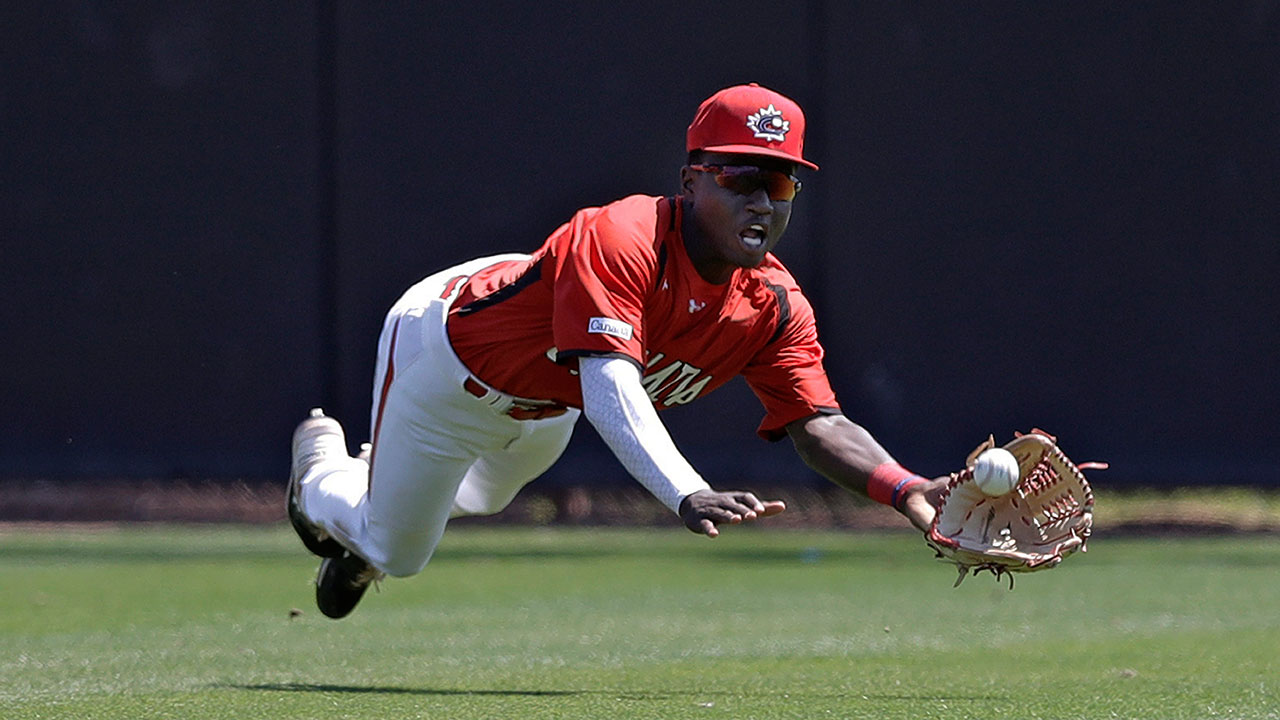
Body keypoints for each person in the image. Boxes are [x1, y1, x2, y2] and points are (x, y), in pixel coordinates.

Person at [287, 83, 945, 619]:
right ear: (691, 181)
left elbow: (817, 423)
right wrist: (686, 491)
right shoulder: (625, 233)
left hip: (545, 403)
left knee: (482, 498)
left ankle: (386, 477)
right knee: (398, 553)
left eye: (780, 186)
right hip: (449, 361)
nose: (760, 202)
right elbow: (609, 385)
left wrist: (905, 488)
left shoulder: (773, 304)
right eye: (741, 176)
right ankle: (323, 477)